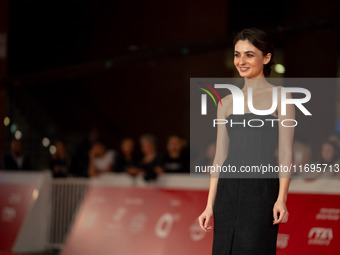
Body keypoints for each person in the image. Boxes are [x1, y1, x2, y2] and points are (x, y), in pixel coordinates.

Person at [198, 28, 295, 255]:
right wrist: (209, 205)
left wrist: (281, 199)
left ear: (267, 57)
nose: (241, 61)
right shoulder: (226, 103)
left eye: (249, 54)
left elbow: (285, 153)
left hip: (261, 192)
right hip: (227, 193)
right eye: (237, 54)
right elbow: (220, 157)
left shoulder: (282, 96)